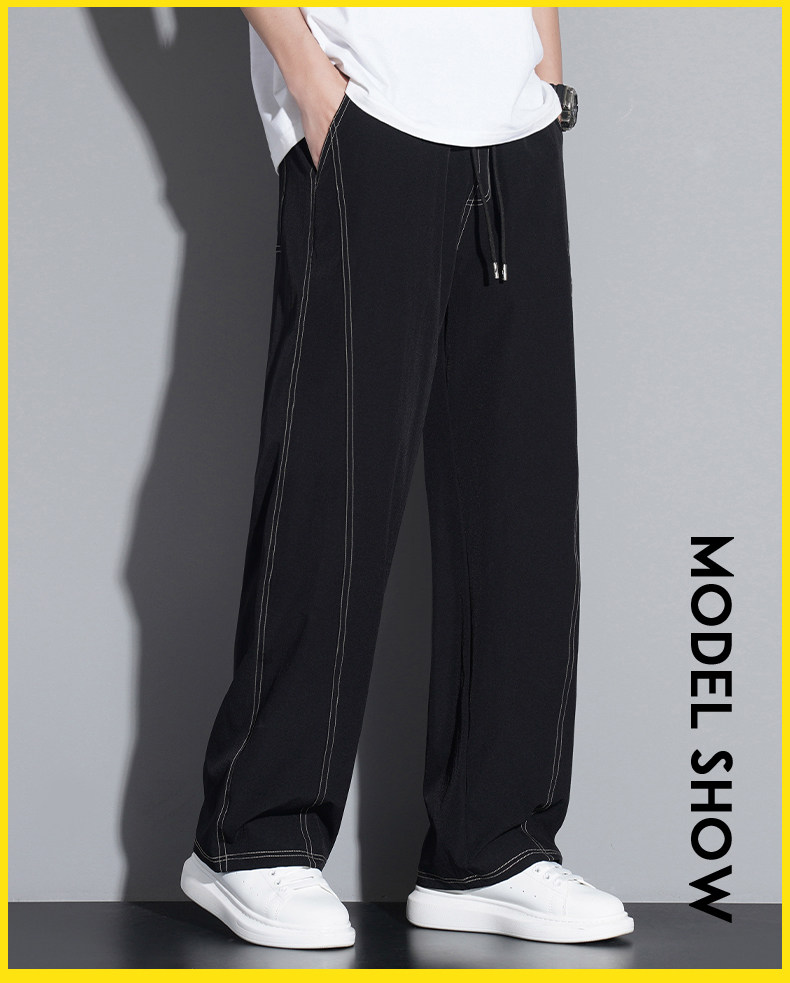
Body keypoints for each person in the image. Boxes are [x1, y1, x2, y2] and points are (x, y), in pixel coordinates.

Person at [180, 6, 634, 950]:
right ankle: (252, 838)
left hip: (513, 125)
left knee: (523, 503)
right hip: (370, 109)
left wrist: (544, 81)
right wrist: (309, 81)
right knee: (335, 488)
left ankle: (492, 847)